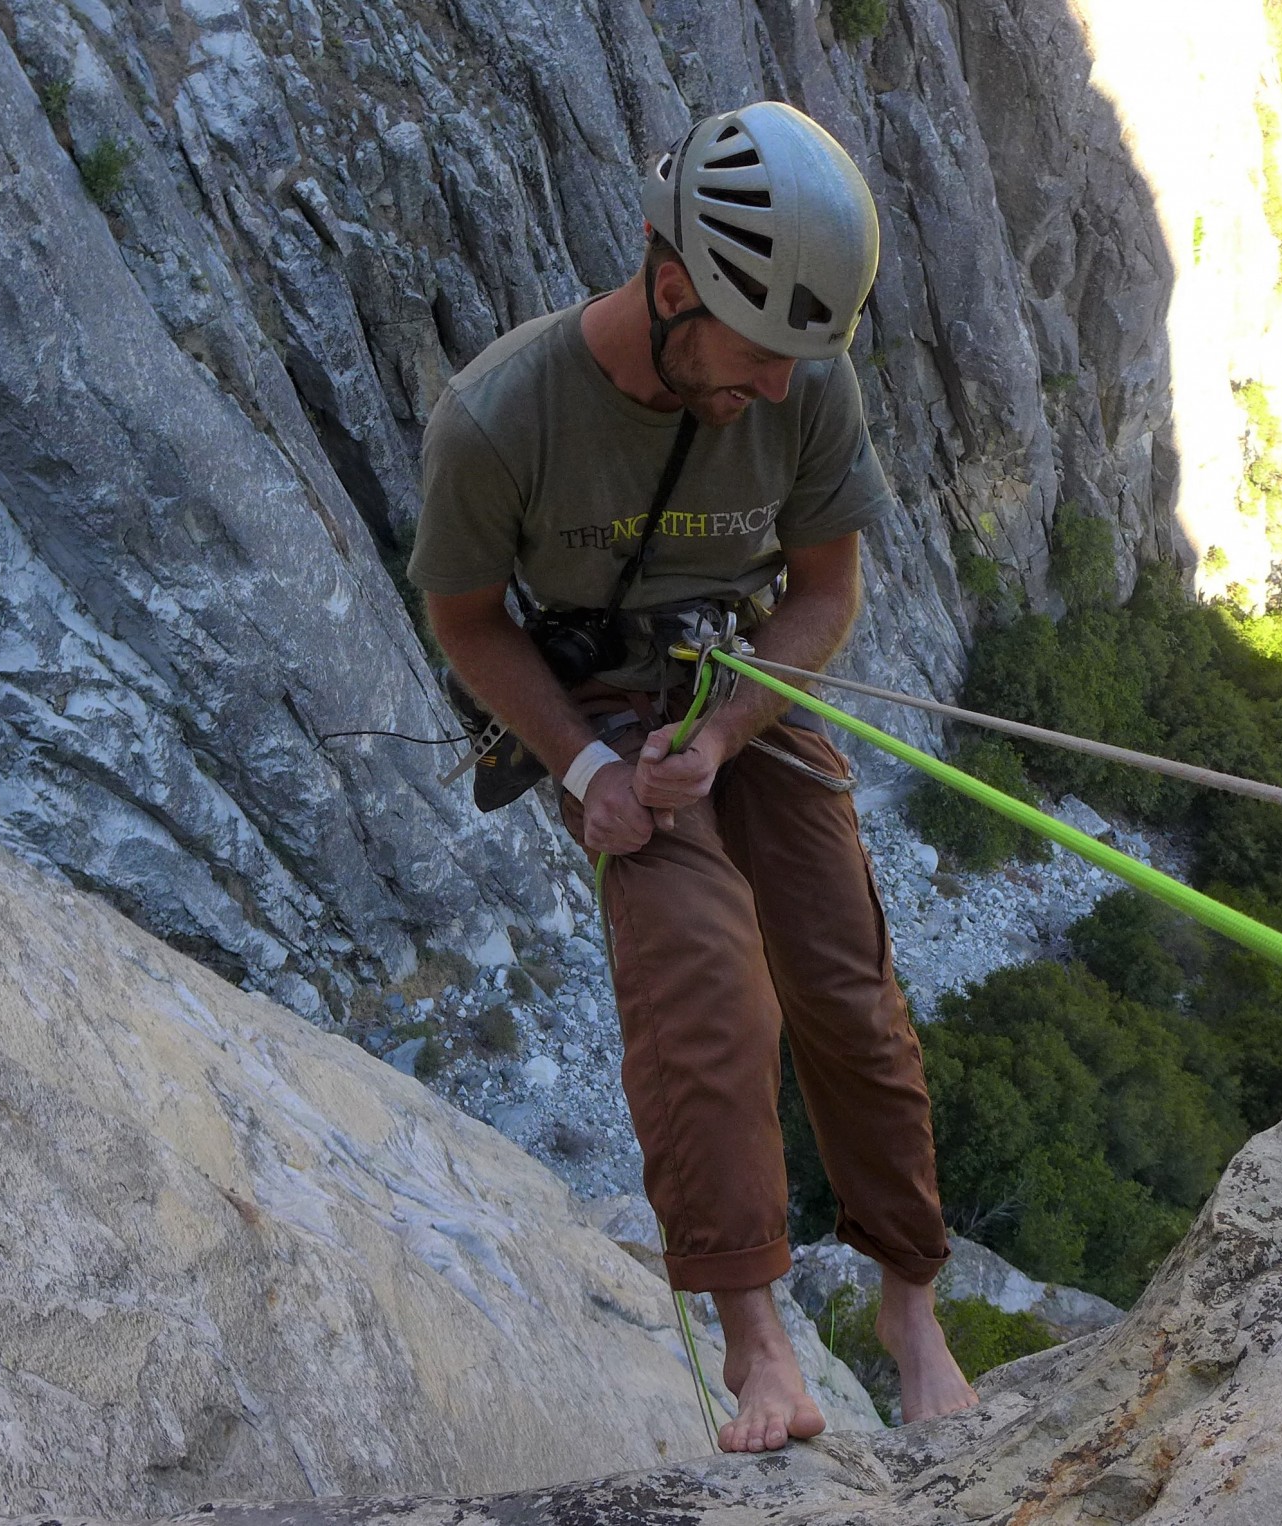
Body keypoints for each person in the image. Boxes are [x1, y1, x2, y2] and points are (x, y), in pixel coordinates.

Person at [407, 101, 978, 1452]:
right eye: (759, 356)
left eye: (798, 361)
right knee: (705, 982)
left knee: (847, 985)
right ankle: (758, 1346)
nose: (779, 391)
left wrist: (725, 731)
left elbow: (825, 590)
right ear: (672, 290)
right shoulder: (500, 417)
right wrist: (586, 765)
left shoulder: (806, 381)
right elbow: (468, 620)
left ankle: (911, 1307)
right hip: (603, 695)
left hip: (744, 678)